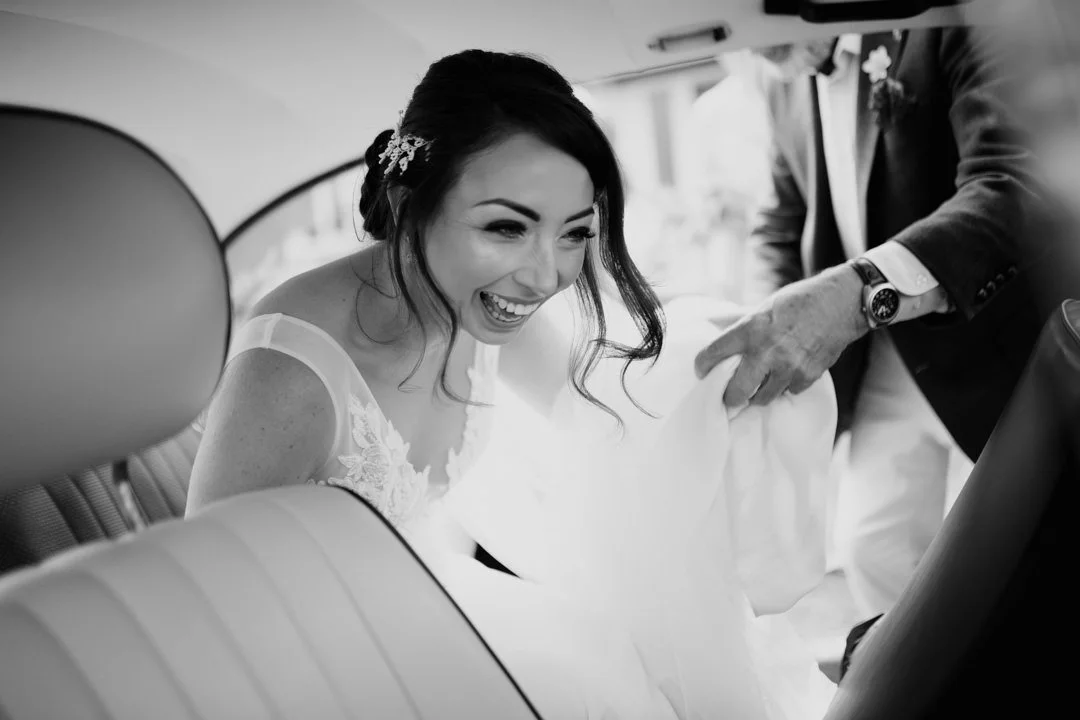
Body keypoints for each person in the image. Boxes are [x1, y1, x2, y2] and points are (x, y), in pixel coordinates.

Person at [188, 49, 837, 719]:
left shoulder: (477, 299)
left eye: (573, 234)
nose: (544, 277)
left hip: (437, 608)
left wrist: (735, 360)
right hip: (328, 671)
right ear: (410, 202)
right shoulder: (291, 367)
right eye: (506, 228)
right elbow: (205, 608)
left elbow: (608, 401)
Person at [695, 28, 1042, 624]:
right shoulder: (780, 83)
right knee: (875, 546)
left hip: (999, 341)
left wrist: (857, 294)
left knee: (1026, 554)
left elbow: (1009, 183)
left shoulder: (940, 22)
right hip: (884, 360)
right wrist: (764, 317)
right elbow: (782, 220)